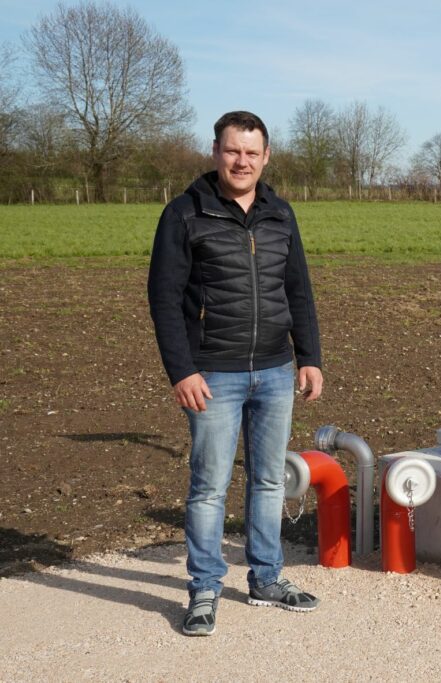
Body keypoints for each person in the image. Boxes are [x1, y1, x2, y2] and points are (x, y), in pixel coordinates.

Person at [148, 111, 325, 637]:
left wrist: (308, 356)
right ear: (216, 152)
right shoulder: (184, 214)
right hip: (213, 375)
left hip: (274, 370)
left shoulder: (280, 213)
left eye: (251, 152)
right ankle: (204, 588)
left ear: (266, 157)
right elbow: (164, 299)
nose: (241, 161)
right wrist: (182, 370)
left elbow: (299, 290)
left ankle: (266, 578)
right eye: (232, 150)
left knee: (269, 480)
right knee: (209, 487)